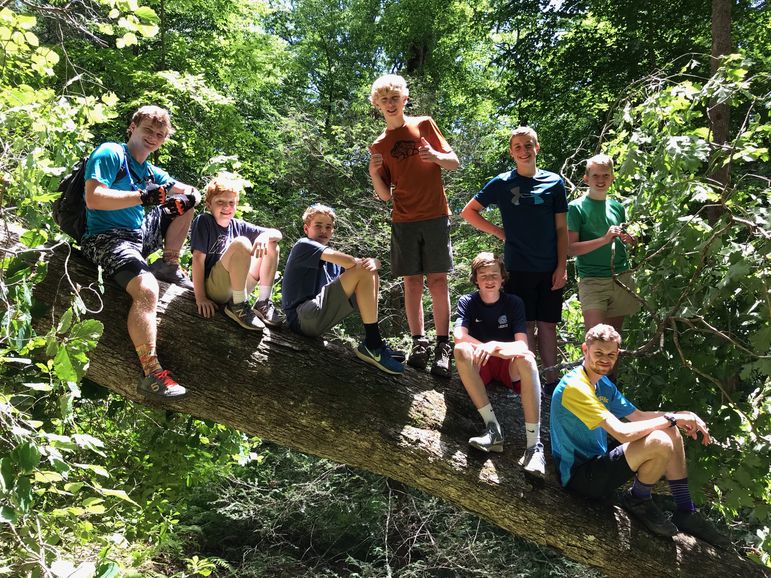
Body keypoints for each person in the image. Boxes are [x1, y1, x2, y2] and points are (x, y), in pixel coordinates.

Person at [549, 324, 729, 546]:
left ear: (617, 354)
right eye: (599, 353)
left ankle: (686, 510)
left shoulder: (602, 383)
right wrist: (673, 418)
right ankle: (639, 499)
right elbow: (622, 432)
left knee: (670, 430)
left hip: (598, 465)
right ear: (585, 350)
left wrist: (682, 415)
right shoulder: (575, 387)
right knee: (660, 440)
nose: (605, 359)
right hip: (579, 477)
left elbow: (638, 415)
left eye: (611, 355)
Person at [81, 105, 200, 399]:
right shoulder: (111, 153)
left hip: (137, 236)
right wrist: (142, 196)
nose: (153, 138)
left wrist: (189, 196)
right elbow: (94, 198)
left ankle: (169, 264)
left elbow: (190, 191)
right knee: (147, 289)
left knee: (186, 203)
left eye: (160, 134)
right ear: (132, 127)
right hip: (105, 238)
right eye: (148, 130)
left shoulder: (149, 170)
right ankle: (152, 374)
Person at [461, 126, 567, 395]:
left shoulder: (554, 182)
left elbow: (561, 229)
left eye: (528, 145)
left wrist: (562, 266)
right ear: (511, 152)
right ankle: (528, 381)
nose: (524, 151)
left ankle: (552, 381)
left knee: (548, 325)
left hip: (549, 266)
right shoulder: (502, 183)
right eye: (518, 147)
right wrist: (500, 233)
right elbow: (469, 212)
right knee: (525, 325)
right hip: (518, 267)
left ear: (537, 147)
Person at [368, 74, 459, 378]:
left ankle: (443, 346)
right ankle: (419, 343)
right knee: (412, 282)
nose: (390, 104)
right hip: (404, 220)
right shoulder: (379, 145)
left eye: (395, 98)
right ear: (377, 105)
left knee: (438, 280)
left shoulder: (424, 125)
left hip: (435, 215)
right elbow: (384, 195)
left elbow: (454, 162)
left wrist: (434, 155)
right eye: (384, 100)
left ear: (405, 99)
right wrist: (374, 172)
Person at [281, 204, 404, 375]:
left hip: (315, 319)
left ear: (332, 231)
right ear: (306, 228)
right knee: (365, 269)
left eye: (328, 227)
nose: (323, 231)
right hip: (301, 317)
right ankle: (373, 344)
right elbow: (351, 263)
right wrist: (371, 262)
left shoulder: (333, 264)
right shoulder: (303, 245)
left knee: (370, 272)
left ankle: (374, 342)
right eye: (318, 226)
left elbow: (359, 276)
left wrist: (375, 263)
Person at [453, 252, 545, 479]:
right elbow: (459, 336)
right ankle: (493, 429)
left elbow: (522, 346)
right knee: (460, 350)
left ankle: (534, 447)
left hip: (507, 364)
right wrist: (485, 348)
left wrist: (493, 346)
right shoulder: (467, 302)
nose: (489, 279)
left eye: (494, 274)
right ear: (475, 279)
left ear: (502, 278)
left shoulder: (513, 303)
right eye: (483, 275)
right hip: (480, 364)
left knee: (527, 360)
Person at [190, 173, 284, 331]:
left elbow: (277, 234)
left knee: (272, 245)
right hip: (214, 288)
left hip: (236, 287)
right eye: (220, 202)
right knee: (242, 243)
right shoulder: (204, 221)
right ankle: (238, 305)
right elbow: (198, 259)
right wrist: (200, 297)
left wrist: (265, 235)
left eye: (231, 203)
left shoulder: (238, 225)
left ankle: (262, 302)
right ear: (209, 205)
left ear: (236, 204)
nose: (226, 207)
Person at [567, 154, 639, 337]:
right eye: (595, 176)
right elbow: (570, 248)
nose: (601, 180)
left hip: (620, 277)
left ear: (612, 178)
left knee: (613, 341)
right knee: (595, 338)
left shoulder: (618, 207)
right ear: (586, 179)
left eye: (605, 175)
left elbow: (625, 242)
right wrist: (604, 239)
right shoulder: (575, 207)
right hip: (592, 280)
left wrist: (631, 240)